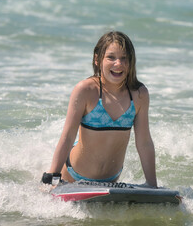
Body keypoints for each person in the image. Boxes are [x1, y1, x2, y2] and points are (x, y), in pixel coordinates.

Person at [41, 31, 157, 188]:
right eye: (111, 57)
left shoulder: (139, 94)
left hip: (111, 181)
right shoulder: (86, 90)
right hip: (74, 175)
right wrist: (51, 177)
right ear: (97, 59)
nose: (118, 63)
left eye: (124, 58)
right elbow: (68, 136)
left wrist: (152, 185)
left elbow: (144, 143)